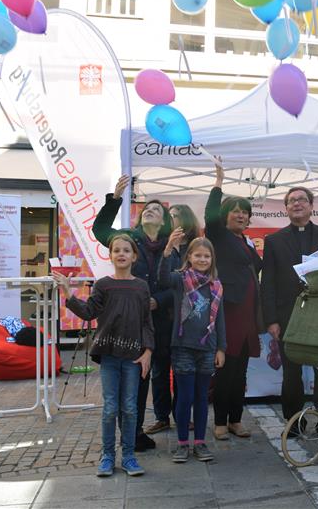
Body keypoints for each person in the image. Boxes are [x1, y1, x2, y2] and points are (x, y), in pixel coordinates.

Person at [53, 234, 154, 478]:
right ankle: (108, 455)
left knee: (130, 408)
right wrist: (68, 292)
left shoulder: (141, 286)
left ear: (134, 256)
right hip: (109, 356)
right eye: (116, 250)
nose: (121, 254)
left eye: (126, 250)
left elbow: (146, 322)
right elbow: (88, 313)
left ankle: (128, 455)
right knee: (110, 408)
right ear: (110, 256)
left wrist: (148, 351)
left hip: (133, 356)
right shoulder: (103, 285)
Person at [92, 175, 175, 451]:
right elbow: (100, 228)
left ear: (164, 221)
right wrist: (114, 199)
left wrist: (158, 301)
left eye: (157, 209)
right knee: (137, 378)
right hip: (131, 323)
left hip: (162, 320)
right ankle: (134, 433)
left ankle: (163, 418)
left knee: (161, 371)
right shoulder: (127, 239)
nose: (150, 210)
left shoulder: (171, 245)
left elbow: (177, 284)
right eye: (146, 209)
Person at [261, 186, 318, 440]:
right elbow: (269, 283)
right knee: (292, 372)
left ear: (310, 206)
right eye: (292, 201)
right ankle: (293, 422)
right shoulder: (273, 241)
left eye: (302, 200)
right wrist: (271, 320)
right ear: (286, 208)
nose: (297, 204)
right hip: (288, 315)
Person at [207, 158, 262, 440]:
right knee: (225, 371)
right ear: (226, 215)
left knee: (240, 371)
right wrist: (218, 184)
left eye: (245, 213)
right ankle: (219, 422)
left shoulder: (246, 241)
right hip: (229, 313)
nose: (241, 216)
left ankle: (235, 419)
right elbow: (210, 217)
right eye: (236, 212)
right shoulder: (218, 235)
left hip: (248, 315)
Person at [160, 236, 226, 462]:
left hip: (207, 349)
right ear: (189, 257)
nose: (202, 259)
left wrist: (221, 348)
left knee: (201, 397)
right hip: (182, 348)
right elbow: (161, 279)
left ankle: (200, 442)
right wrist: (168, 251)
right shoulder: (180, 280)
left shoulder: (216, 286)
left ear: (212, 259)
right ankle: (182, 444)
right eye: (197, 255)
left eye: (206, 256)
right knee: (184, 397)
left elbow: (220, 321)